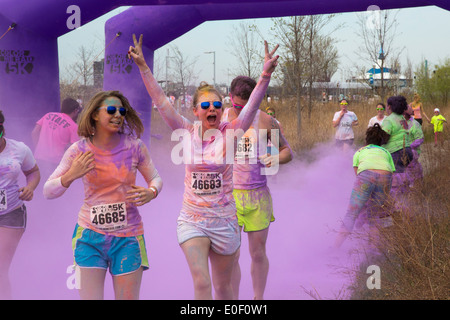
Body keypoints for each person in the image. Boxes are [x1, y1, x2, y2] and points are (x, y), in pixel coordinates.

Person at [129, 34, 279, 300]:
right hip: (192, 220)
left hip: (224, 221)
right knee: (201, 282)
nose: (213, 109)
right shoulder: (185, 130)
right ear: (195, 110)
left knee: (224, 289)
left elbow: (252, 106)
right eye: (206, 105)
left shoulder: (232, 131)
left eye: (217, 105)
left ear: (222, 109)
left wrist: (265, 75)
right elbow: (161, 101)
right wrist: (143, 67)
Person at [43, 91, 163, 300]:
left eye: (122, 111)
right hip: (89, 237)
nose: (118, 114)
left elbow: (156, 179)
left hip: (128, 238)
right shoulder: (78, 150)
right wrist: (71, 175)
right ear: (95, 115)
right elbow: (47, 192)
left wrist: (151, 192)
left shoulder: (134, 147)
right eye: (111, 110)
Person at [222, 76, 292, 300]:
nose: (241, 110)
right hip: (229, 196)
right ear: (230, 97)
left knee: (258, 253)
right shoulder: (221, 117)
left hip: (258, 196)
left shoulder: (266, 121)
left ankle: (257, 299)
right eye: (237, 105)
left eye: (246, 105)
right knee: (231, 255)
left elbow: (287, 151)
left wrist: (276, 159)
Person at [0, 110, 41, 299]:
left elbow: (33, 172)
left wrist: (30, 187)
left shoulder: (19, 149)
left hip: (11, 214)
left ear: (2, 129)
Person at [334, 123, 394, 248]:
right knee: (374, 215)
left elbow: (358, 174)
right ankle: (373, 250)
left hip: (366, 177)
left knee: (351, 214)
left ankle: (335, 247)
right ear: (380, 142)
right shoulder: (385, 152)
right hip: (385, 177)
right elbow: (391, 171)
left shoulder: (360, 151)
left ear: (367, 141)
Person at [31, 98, 81, 172]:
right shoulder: (73, 126)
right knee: (52, 183)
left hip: (38, 158)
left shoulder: (48, 115)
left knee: (37, 182)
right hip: (55, 163)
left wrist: (37, 148)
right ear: (75, 111)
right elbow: (75, 149)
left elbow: (34, 133)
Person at [404, 105, 424, 186]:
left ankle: (414, 188)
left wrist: (409, 147)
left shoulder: (415, 124)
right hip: (401, 152)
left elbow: (420, 138)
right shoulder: (400, 123)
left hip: (412, 152)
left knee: (412, 172)